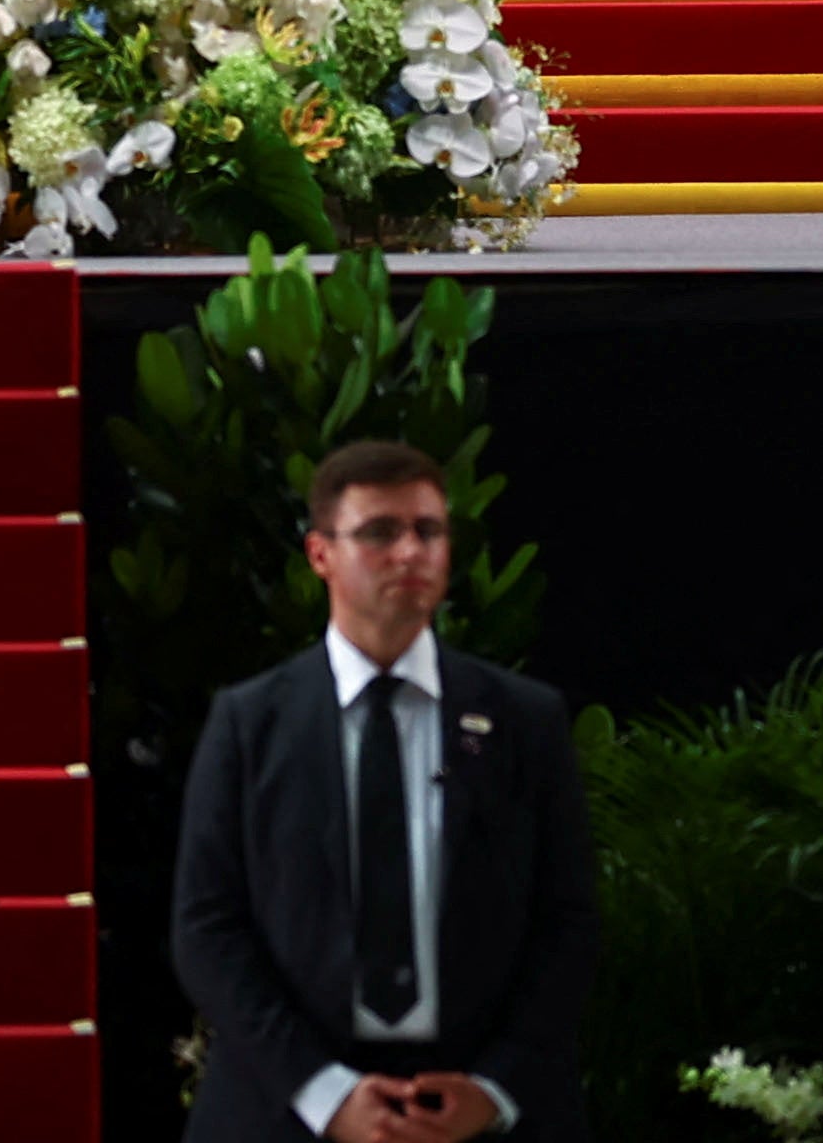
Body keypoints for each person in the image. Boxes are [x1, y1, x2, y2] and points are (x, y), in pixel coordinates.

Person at [172, 440, 598, 1142]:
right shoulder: (250, 724)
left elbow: (569, 920)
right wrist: (324, 1093)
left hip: (479, 1109)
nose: (409, 553)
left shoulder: (523, 720)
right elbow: (206, 928)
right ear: (320, 555)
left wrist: (494, 1087)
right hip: (287, 1110)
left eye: (427, 531)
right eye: (379, 532)